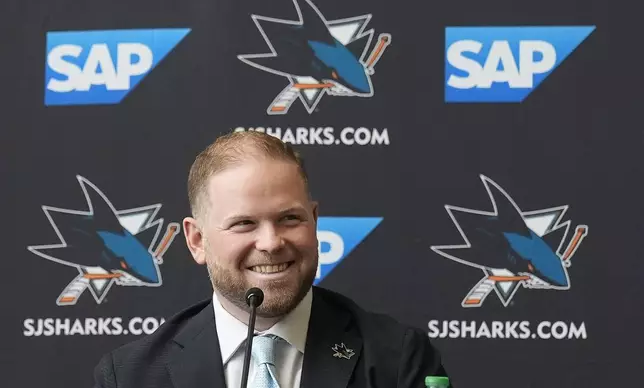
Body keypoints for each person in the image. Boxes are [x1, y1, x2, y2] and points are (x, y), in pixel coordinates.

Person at [92, 130, 450, 388]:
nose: (271, 242)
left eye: (289, 219)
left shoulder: (398, 359)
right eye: (244, 223)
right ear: (197, 240)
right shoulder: (129, 377)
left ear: (314, 220)